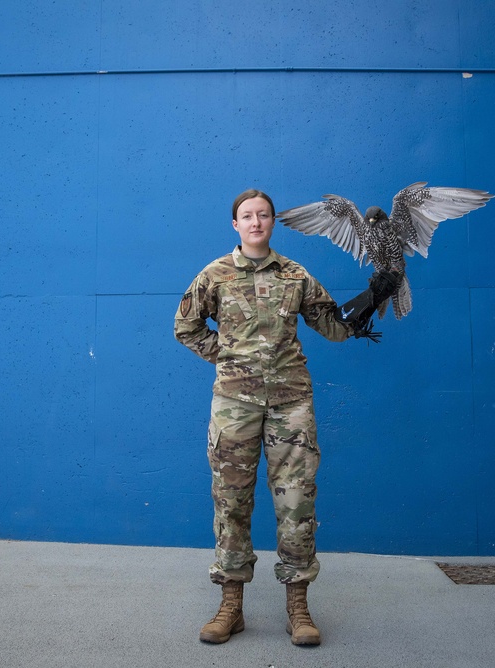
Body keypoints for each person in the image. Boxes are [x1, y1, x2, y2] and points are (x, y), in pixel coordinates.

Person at [174, 189, 398, 646]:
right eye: (247, 216)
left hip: (290, 404)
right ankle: (230, 606)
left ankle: (298, 606)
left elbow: (335, 328)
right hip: (234, 407)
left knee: (297, 505)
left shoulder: (295, 276)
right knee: (231, 502)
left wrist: (373, 297)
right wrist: (230, 358)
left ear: (273, 222)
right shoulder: (213, 275)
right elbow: (186, 327)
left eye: (264, 215)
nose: (256, 222)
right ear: (234, 225)